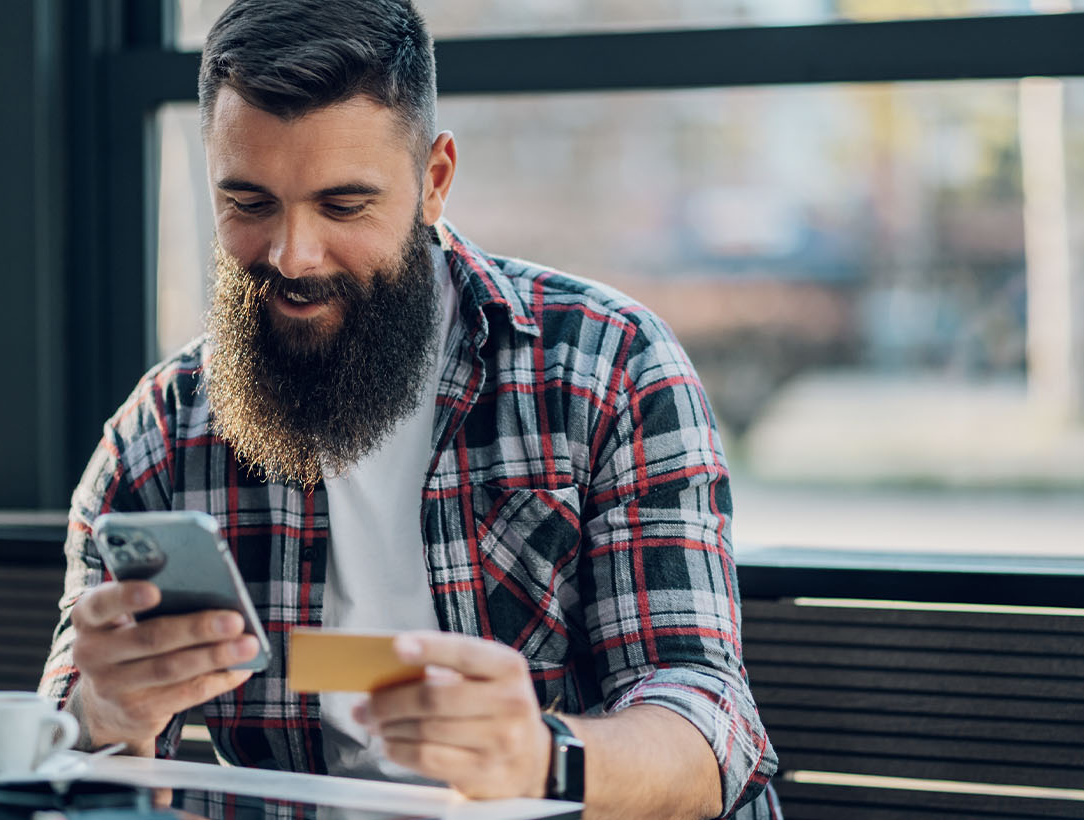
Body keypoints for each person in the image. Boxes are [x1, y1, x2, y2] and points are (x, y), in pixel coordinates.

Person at [40, 1, 780, 817]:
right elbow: (65, 749)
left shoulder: (607, 368)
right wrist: (104, 717)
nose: (292, 256)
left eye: (343, 205)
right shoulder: (162, 434)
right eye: (249, 204)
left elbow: (708, 730)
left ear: (433, 181)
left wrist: (541, 757)